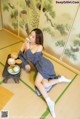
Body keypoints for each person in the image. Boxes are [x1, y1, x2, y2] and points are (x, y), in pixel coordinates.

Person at [18, 28, 71, 118]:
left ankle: (50, 102)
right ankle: (60, 79)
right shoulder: (26, 43)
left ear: (38, 39)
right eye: (30, 35)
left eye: (33, 37)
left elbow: (29, 56)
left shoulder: (39, 46)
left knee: (37, 83)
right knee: (45, 85)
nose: (30, 37)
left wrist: (27, 47)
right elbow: (21, 55)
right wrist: (23, 51)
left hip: (44, 64)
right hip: (39, 68)